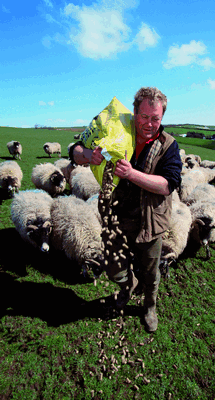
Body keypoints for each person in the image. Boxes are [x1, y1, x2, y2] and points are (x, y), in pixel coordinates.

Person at [72, 87, 182, 332]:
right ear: (134, 112)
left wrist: (132, 174)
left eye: (156, 118)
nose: (149, 124)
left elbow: (169, 184)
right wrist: (90, 155)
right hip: (117, 219)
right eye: (144, 116)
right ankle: (127, 286)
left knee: (151, 271)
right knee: (114, 267)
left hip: (150, 222)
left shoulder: (168, 146)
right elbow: (75, 149)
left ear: (162, 117)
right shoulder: (117, 131)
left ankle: (149, 307)